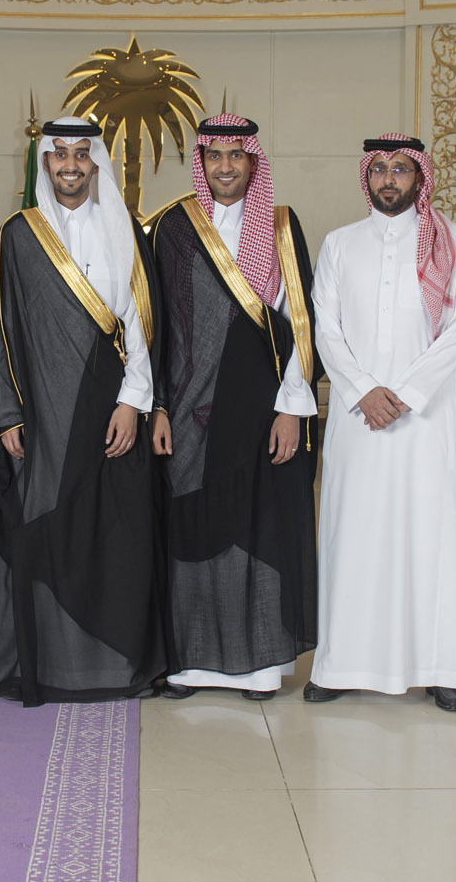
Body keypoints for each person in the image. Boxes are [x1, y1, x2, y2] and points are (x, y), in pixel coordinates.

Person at [0, 117, 166, 704]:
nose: (70, 165)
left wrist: (133, 402)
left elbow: (142, 325)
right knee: (45, 529)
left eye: (80, 155)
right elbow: (1, 329)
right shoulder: (19, 234)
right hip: (41, 412)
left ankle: (114, 666)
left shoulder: (126, 229)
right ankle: (48, 666)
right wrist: (7, 414)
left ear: (95, 163)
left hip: (112, 408)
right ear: (45, 163)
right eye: (59, 154)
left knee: (115, 534)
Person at [147, 114, 317, 701]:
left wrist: (292, 407)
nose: (225, 166)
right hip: (186, 404)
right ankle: (189, 665)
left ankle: (258, 667)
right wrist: (159, 406)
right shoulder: (173, 227)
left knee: (255, 525)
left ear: (252, 162)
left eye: (235, 155)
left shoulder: (280, 226)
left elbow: (301, 322)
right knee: (191, 524)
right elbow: (156, 324)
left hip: (261, 407)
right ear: (201, 161)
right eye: (214, 155)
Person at [306, 134, 456, 711]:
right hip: (358, 418)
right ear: (367, 176)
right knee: (351, 534)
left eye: (400, 168)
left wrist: (404, 394)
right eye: (379, 168)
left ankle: (440, 667)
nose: (388, 178)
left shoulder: (451, 242)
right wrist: (363, 391)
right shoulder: (340, 244)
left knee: (428, 536)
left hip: (424, 417)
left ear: (419, 176)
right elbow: (325, 328)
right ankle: (341, 664)